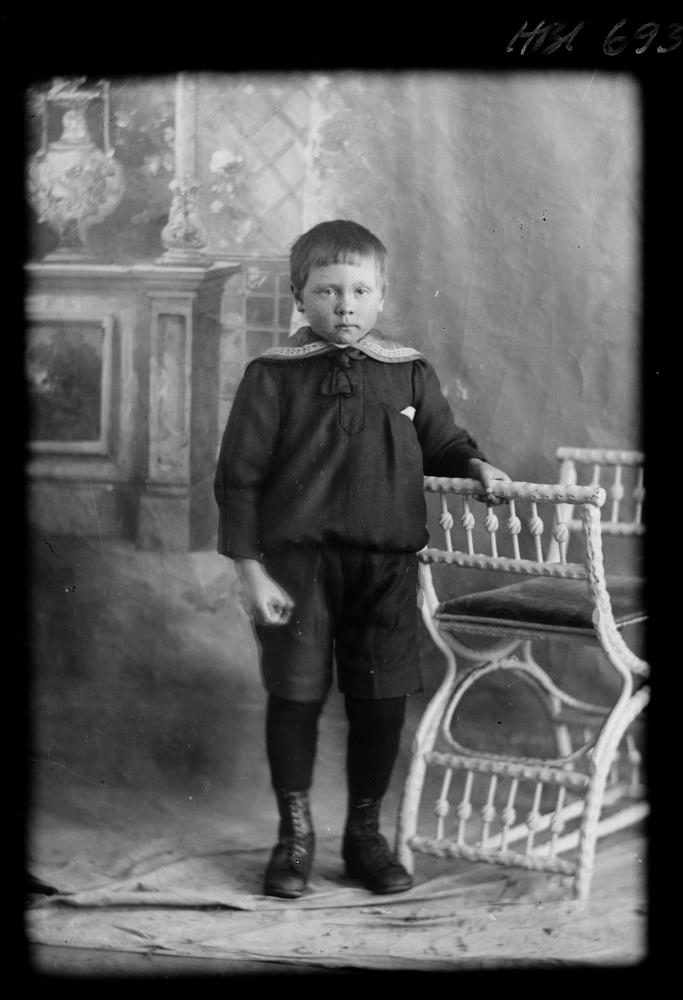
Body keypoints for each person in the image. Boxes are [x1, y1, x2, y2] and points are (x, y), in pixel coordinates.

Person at [214, 219, 510, 899]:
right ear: (299, 297)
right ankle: (294, 837)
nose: (344, 306)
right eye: (326, 291)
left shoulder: (407, 370)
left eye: (358, 290)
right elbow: (239, 479)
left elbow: (443, 441)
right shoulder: (272, 375)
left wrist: (475, 465)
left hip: (385, 569)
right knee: (295, 696)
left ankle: (363, 836)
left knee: (379, 701)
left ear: (381, 295)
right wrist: (250, 570)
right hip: (297, 567)